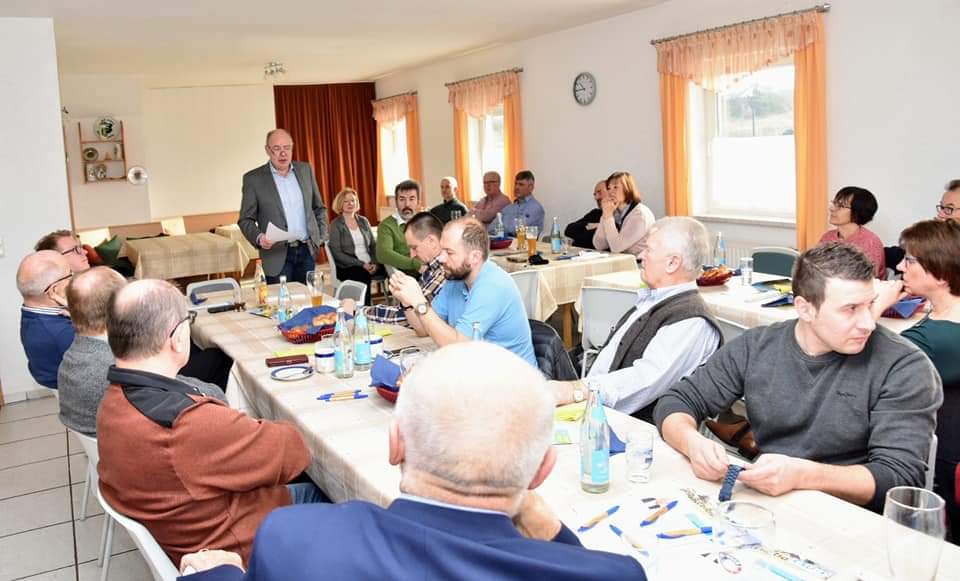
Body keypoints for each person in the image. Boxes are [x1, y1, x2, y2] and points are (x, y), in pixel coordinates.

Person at [177, 343, 647, 580]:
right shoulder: (616, 574)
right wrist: (552, 531)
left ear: (395, 444)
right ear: (542, 471)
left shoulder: (293, 538)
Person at [654, 243, 942, 512]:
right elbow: (678, 400)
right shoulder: (756, 346)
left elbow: (899, 478)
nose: (868, 322)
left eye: (870, 305)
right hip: (768, 504)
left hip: (851, 518)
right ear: (804, 308)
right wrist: (691, 442)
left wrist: (803, 475)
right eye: (850, 309)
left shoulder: (904, 367)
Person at [96, 279, 322, 566]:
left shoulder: (112, 402)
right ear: (177, 339)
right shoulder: (185, 423)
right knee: (335, 494)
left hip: (193, 525)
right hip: (239, 543)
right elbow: (294, 451)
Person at [549, 217, 721, 421]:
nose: (640, 256)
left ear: (672, 263)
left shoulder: (691, 321)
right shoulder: (654, 299)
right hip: (593, 398)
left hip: (628, 428)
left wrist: (576, 391)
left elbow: (644, 379)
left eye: (649, 250)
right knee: (543, 342)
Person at [57, 267, 226, 436]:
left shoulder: (72, 357)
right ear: (118, 308)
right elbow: (202, 396)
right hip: (148, 444)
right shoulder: (119, 366)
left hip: (111, 444)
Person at [876, 219, 960, 538]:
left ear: (939, 273)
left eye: (910, 260)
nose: (899, 265)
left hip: (941, 463)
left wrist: (879, 304)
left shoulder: (937, 338)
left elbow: (866, 363)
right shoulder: (943, 316)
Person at [389, 218, 536, 367]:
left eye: (449, 252)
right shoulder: (456, 279)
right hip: (479, 372)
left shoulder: (492, 285)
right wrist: (407, 301)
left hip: (513, 381)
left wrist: (420, 302)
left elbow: (459, 348)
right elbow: (422, 329)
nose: (441, 258)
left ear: (475, 257)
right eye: (442, 250)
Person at [238, 128, 328, 284]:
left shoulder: (305, 170)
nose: (283, 153)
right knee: (281, 305)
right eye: (277, 148)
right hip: (276, 255)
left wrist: (320, 238)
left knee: (307, 303)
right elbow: (245, 219)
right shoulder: (253, 179)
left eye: (287, 148)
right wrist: (259, 237)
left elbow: (319, 208)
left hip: (307, 251)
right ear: (267, 150)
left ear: (292, 148)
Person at [367, 211, 446, 325]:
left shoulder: (443, 271)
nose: (412, 255)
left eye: (414, 247)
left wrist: (361, 312)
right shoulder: (431, 268)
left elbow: (412, 318)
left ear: (431, 241)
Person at [16, 251, 74, 389]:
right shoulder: (61, 333)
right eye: (70, 274)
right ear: (54, 290)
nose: (74, 277)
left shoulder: (31, 311)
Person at [327, 187, 380, 305]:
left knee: (389, 268)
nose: (350, 203)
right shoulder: (336, 225)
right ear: (340, 204)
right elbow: (337, 253)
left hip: (369, 263)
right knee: (362, 273)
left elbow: (372, 245)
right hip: (347, 266)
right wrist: (362, 264)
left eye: (353, 200)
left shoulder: (363, 221)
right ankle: (364, 309)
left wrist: (375, 263)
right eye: (346, 201)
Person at [818, 186, 885, 278]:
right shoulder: (827, 237)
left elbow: (866, 281)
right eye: (834, 203)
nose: (832, 209)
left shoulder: (870, 242)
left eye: (841, 206)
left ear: (857, 212)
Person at [593, 171, 655, 258]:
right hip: (625, 261)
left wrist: (608, 217)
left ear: (627, 188)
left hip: (641, 264)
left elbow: (616, 248)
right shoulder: (616, 212)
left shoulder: (640, 214)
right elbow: (599, 245)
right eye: (609, 188)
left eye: (615, 187)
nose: (611, 192)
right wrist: (605, 215)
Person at [376, 179, 423, 276]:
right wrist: (416, 264)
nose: (407, 204)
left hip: (430, 270)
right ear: (396, 202)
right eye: (402, 199)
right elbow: (383, 254)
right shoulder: (386, 226)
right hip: (406, 275)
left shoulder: (424, 221)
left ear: (418, 201)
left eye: (412, 199)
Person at [497, 170, 545, 236]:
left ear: (530, 187)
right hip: (505, 244)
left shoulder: (535, 208)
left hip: (527, 245)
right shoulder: (508, 207)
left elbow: (516, 230)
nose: (516, 187)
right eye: (515, 184)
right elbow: (491, 228)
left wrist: (501, 228)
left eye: (521, 184)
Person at [564, 180, 605, 249]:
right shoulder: (595, 213)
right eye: (595, 194)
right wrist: (590, 225)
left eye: (599, 192)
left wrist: (599, 225)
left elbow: (591, 241)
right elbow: (569, 229)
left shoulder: (617, 217)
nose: (596, 198)